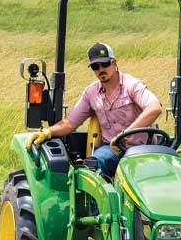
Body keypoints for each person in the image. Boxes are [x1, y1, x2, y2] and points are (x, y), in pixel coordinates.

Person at [25, 42, 162, 177]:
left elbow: (155, 108)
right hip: (112, 149)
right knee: (92, 165)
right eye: (96, 66)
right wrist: (48, 132)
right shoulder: (91, 93)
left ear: (114, 63)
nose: (101, 69)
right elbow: (70, 123)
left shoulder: (131, 85)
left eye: (105, 64)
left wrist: (126, 133)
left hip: (143, 149)